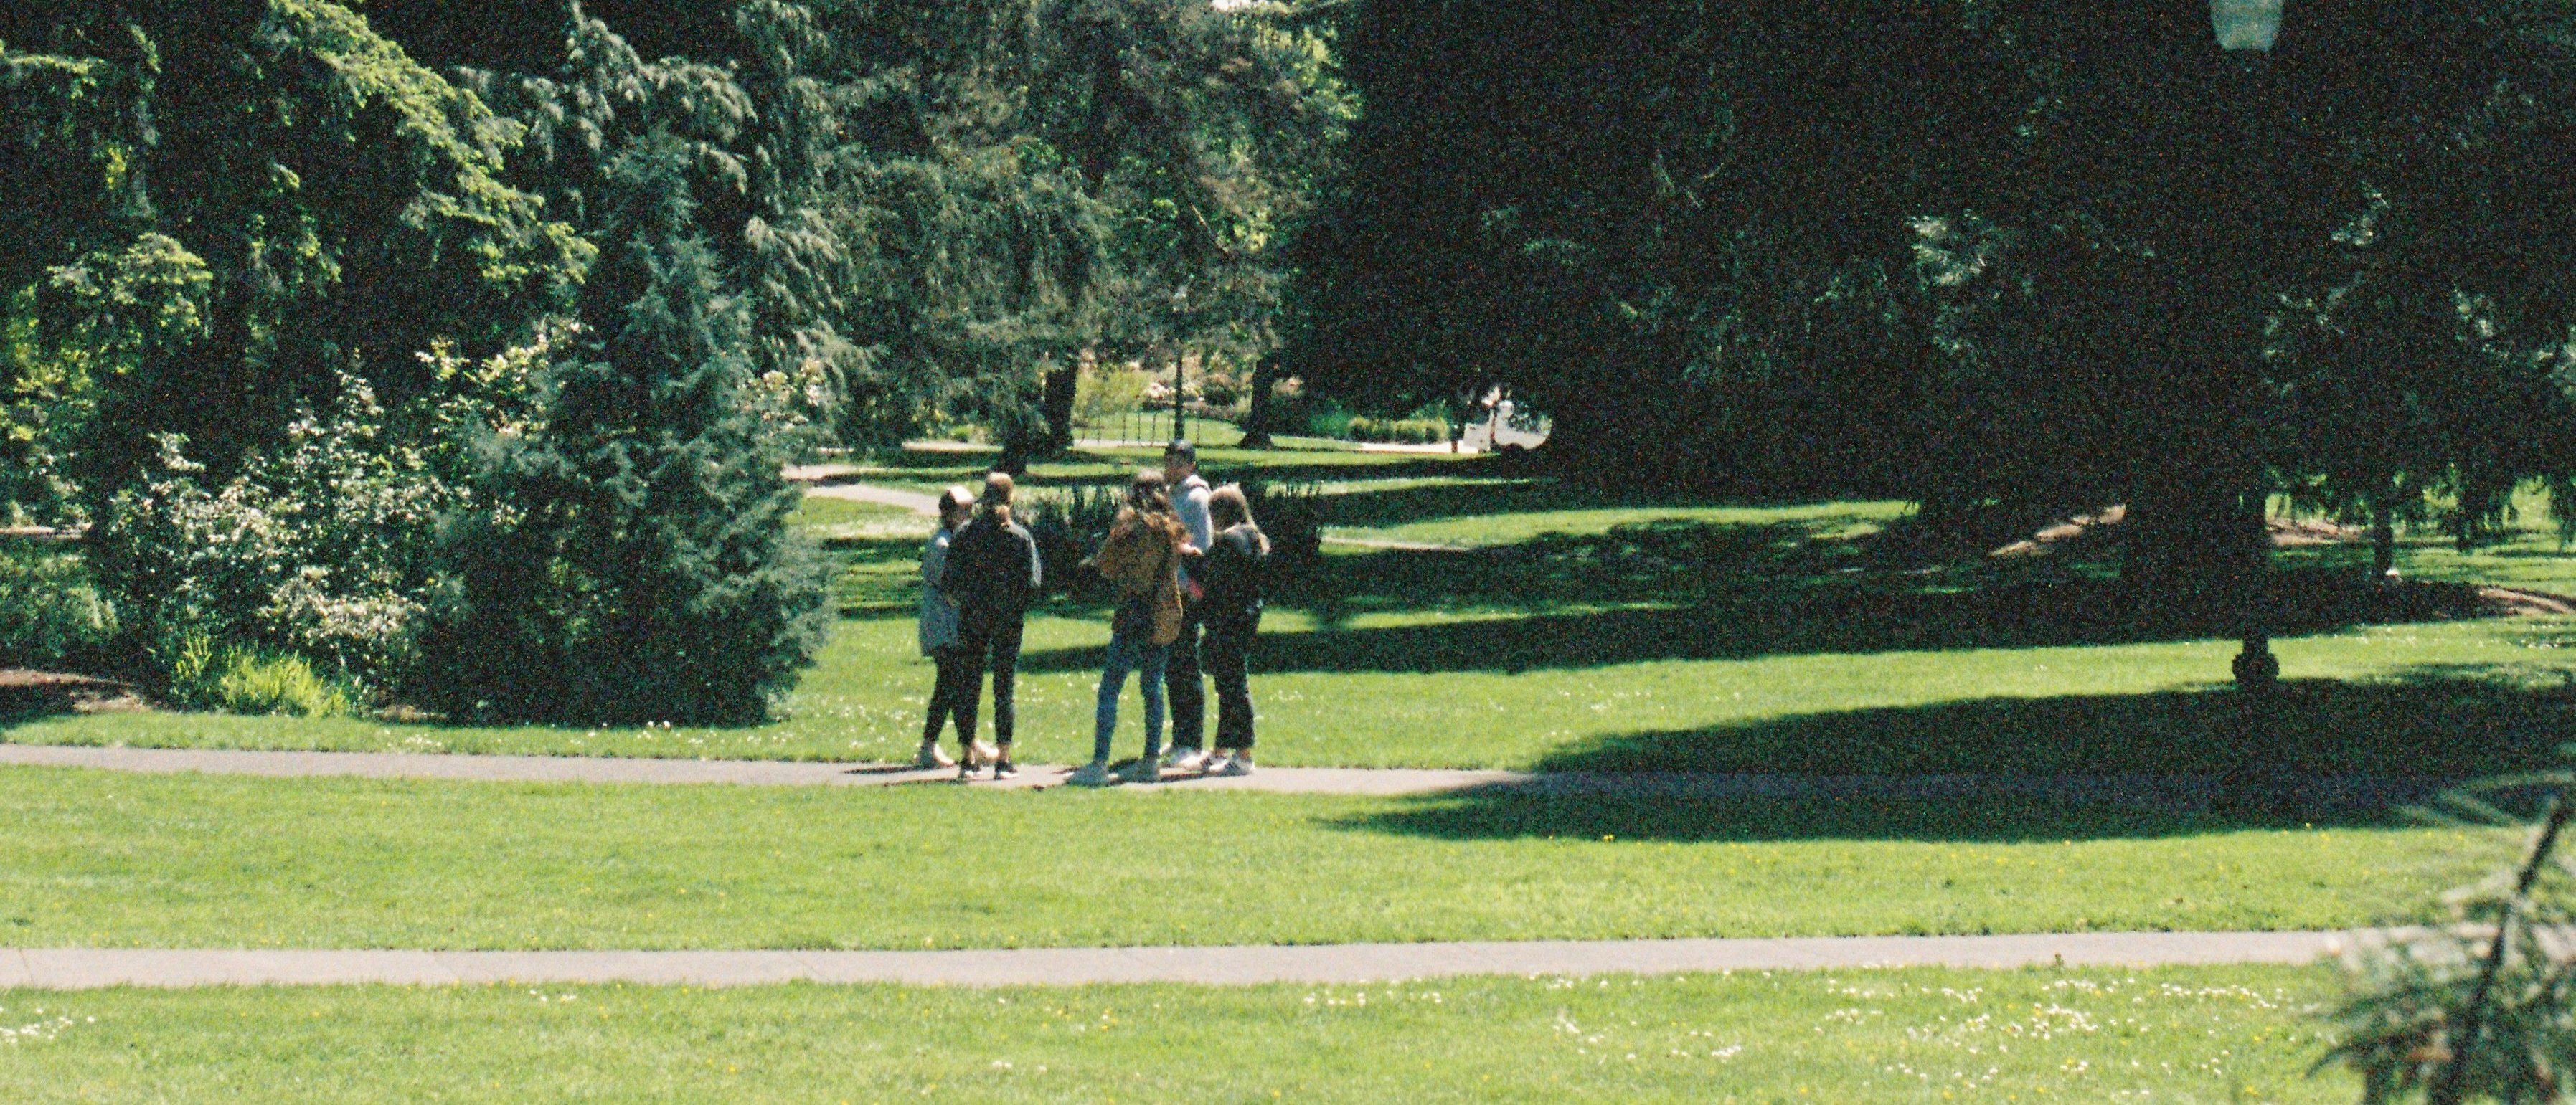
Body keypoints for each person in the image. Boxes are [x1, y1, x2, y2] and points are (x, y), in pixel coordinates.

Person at [1070, 470, 1189, 787]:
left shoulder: (1129, 526)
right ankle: (1151, 761)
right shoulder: (1172, 527)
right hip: (1163, 612)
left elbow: (1105, 566)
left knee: (1111, 687)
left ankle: (1099, 763)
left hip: (1133, 611)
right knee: (1153, 687)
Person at [943, 472, 1042, 779]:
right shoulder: (1019, 536)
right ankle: (1003, 758)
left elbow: (949, 583)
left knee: (969, 684)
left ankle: (967, 757)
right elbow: (1033, 584)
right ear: (1010, 499)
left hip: (973, 617)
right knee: (1004, 688)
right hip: (1007, 619)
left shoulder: (965, 534)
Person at [1196, 483, 1270, 775]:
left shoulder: (1229, 541)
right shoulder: (1254, 539)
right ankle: (1221, 750)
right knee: (1229, 685)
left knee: (1234, 688)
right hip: (1244, 620)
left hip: (1227, 621)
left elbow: (1208, 575)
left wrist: (1188, 555)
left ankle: (1244, 754)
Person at [1158, 440, 1216, 772]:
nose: (1172, 466)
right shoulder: (1169, 495)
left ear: (1191, 465)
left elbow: (1203, 547)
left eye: (1178, 461)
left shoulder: (1196, 498)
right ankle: (1180, 734)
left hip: (1186, 592)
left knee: (1186, 665)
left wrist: (1196, 587)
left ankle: (1191, 740)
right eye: (1168, 460)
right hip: (1167, 591)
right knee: (1172, 666)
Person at [914, 486, 976, 770]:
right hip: (942, 627)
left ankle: (960, 743)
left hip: (953, 626)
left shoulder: (955, 540)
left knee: (951, 686)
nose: (970, 514)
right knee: (950, 685)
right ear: (949, 513)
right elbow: (952, 586)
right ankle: (934, 746)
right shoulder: (942, 546)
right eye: (965, 509)